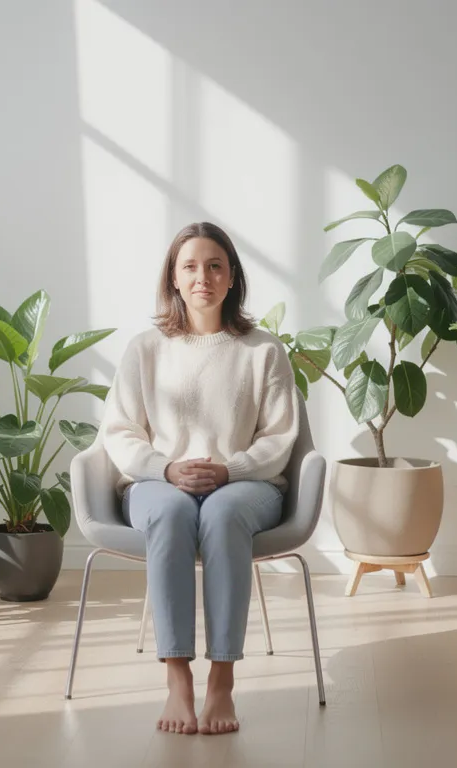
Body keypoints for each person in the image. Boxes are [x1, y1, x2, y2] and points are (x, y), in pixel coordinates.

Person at [99, 221, 300, 735]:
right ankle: (177, 679)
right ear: (173, 277)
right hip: (158, 484)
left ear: (232, 277)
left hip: (247, 487)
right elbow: (120, 432)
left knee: (224, 511)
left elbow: (280, 438)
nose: (202, 277)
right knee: (168, 513)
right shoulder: (145, 348)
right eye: (189, 266)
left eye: (215, 265)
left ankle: (222, 682)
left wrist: (229, 469)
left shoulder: (263, 350)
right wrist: (164, 469)